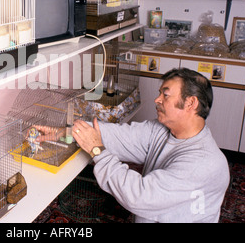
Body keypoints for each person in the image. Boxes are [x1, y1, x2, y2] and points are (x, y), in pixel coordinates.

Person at [36, 68, 230, 223]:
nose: (157, 99)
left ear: (190, 103)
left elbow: (139, 196)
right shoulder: (160, 130)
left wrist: (97, 151)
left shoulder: (204, 164)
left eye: (166, 94)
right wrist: (63, 132)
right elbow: (118, 136)